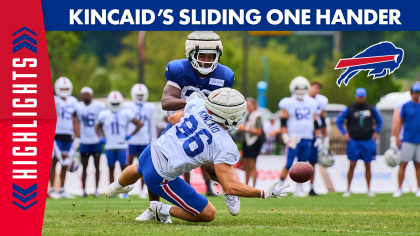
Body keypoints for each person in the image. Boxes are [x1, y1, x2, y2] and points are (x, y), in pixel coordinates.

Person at [104, 88, 291, 223]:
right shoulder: (225, 143)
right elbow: (230, 186)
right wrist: (263, 193)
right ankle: (159, 209)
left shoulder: (199, 105)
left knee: (137, 169)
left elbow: (172, 119)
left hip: (151, 150)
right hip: (160, 175)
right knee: (208, 214)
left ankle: (113, 189)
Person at [136, 31, 238, 223]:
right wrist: (188, 100)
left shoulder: (224, 76)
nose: (207, 61)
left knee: (212, 165)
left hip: (207, 124)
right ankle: (153, 208)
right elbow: (166, 102)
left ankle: (228, 189)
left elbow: (225, 105)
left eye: (211, 56)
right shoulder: (179, 70)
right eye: (203, 56)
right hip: (180, 124)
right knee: (156, 163)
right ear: (191, 54)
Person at [278, 76, 322, 197]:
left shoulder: (312, 103)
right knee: (288, 164)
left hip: (307, 137)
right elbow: (283, 121)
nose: (301, 91)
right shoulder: (288, 103)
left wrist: (318, 137)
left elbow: (315, 121)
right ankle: (279, 187)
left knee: (303, 166)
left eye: (303, 89)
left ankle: (299, 189)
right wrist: (285, 136)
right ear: (293, 89)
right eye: (299, 89)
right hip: (294, 138)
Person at [336, 88, 383, 197]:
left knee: (368, 165)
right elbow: (339, 121)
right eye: (358, 97)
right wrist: (345, 133)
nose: (360, 99)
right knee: (352, 164)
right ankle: (347, 189)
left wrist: (376, 132)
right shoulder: (349, 109)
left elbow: (380, 121)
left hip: (367, 140)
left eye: (362, 97)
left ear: (365, 97)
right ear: (356, 97)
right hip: (354, 141)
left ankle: (369, 189)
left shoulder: (371, 108)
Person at [95, 91, 143, 198]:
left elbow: (139, 123)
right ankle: (112, 191)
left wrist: (130, 135)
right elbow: (97, 126)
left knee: (124, 170)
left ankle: (125, 192)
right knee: (110, 169)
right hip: (109, 146)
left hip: (122, 145)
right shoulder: (104, 114)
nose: (115, 105)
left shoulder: (126, 113)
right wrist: (101, 137)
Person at [125, 83, 157, 199]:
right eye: (138, 95)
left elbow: (151, 125)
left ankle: (142, 190)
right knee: (128, 166)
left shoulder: (149, 107)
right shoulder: (127, 107)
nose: (140, 97)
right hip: (131, 141)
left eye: (141, 95)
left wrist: (154, 140)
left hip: (144, 140)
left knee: (145, 167)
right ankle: (125, 189)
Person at [49, 77, 79, 199]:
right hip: (55, 134)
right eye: (62, 88)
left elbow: (75, 120)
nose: (64, 90)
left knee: (65, 163)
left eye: (66, 88)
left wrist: (77, 137)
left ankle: (61, 189)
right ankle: (51, 189)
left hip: (68, 135)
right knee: (53, 162)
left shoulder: (73, 101)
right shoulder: (54, 100)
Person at [72, 87, 105, 197]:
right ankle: (84, 191)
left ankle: (96, 190)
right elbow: (74, 121)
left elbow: (103, 121)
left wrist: (102, 135)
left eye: (87, 94)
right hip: (84, 140)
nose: (85, 96)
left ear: (91, 95)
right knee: (84, 167)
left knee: (97, 166)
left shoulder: (98, 106)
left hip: (95, 140)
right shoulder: (78, 107)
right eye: (84, 94)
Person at [392, 82, 420, 197]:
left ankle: (418, 188)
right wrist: (397, 137)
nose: (416, 95)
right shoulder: (405, 106)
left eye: (418, 93)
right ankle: (399, 188)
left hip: (419, 140)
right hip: (407, 139)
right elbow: (400, 123)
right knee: (403, 164)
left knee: (418, 165)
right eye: (415, 92)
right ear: (411, 93)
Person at [306, 81, 329, 196]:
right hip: (303, 132)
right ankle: (297, 187)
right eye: (314, 87)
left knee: (312, 161)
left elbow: (323, 118)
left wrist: (325, 137)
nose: (316, 90)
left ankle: (311, 187)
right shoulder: (303, 99)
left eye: (318, 88)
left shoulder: (321, 100)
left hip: (315, 133)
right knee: (298, 160)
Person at [238, 97, 263, 188]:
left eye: (249, 105)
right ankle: (247, 186)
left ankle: (253, 186)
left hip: (253, 143)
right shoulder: (249, 115)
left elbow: (259, 131)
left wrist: (245, 128)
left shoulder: (257, 115)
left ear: (254, 106)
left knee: (252, 166)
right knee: (246, 166)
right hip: (246, 143)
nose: (248, 107)